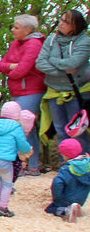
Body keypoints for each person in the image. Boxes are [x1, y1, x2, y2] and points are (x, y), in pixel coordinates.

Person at [35, 8, 90, 153]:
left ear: (75, 26)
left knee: (77, 132)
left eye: (66, 22)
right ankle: (65, 162)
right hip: (54, 91)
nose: (61, 23)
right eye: (61, 19)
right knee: (60, 131)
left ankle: (82, 163)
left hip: (76, 92)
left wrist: (52, 61)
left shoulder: (84, 41)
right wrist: (63, 70)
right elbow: (40, 63)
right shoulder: (51, 39)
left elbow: (72, 63)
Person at [0, 14, 46, 174]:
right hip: (17, 91)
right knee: (22, 128)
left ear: (28, 30)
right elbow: (1, 64)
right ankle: (24, 164)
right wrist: (12, 67)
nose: (13, 30)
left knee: (25, 127)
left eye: (16, 27)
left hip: (31, 91)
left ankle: (32, 165)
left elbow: (22, 69)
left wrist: (10, 71)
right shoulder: (15, 43)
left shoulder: (34, 44)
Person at [0, 101, 31, 217]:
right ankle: (3, 208)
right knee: (7, 184)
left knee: (1, 177)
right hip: (5, 160)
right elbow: (22, 145)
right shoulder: (16, 127)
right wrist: (27, 149)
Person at [45, 138, 89, 222]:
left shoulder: (66, 169)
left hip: (66, 199)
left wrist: (57, 199)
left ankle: (66, 211)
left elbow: (57, 183)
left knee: (50, 209)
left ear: (65, 155)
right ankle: (76, 208)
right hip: (81, 199)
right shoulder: (87, 165)